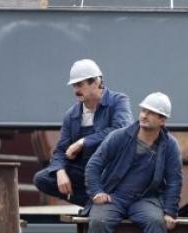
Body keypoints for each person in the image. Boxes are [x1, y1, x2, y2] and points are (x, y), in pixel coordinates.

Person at [79, 92, 182, 233]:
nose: (143, 115)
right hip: (114, 196)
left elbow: (174, 181)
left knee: (156, 222)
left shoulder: (170, 145)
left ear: (162, 120)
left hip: (145, 199)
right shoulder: (119, 137)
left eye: (151, 113)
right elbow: (94, 165)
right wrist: (96, 191)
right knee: (99, 222)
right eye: (143, 110)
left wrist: (170, 211)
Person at [34, 59, 132, 207]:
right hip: (84, 171)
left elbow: (122, 130)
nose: (76, 90)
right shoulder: (71, 114)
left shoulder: (118, 101)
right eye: (74, 85)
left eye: (80, 85)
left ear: (96, 82)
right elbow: (61, 150)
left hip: (111, 169)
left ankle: (104, 203)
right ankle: (94, 204)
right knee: (42, 179)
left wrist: (83, 142)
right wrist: (60, 171)